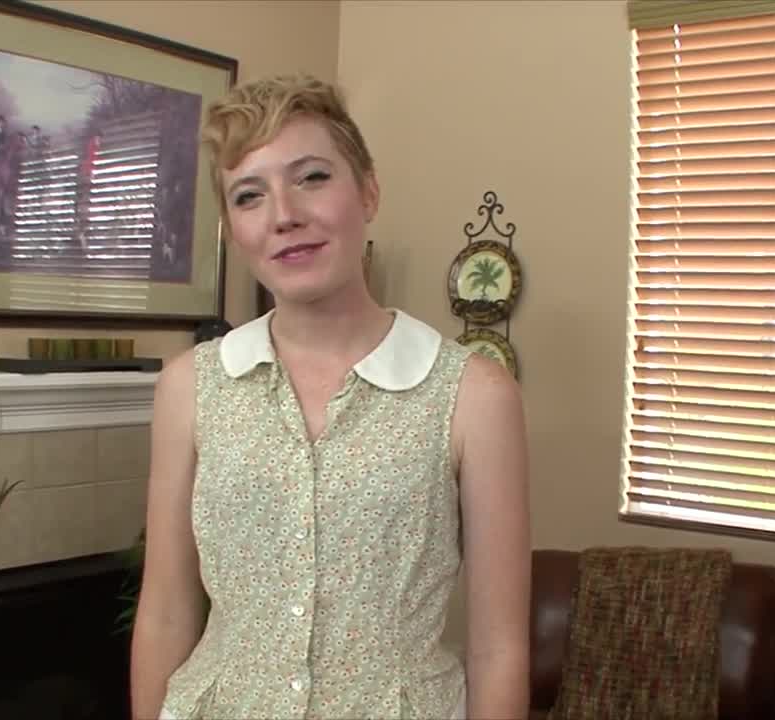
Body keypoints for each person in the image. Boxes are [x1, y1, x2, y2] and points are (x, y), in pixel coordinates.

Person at [129, 74, 531, 720]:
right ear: (233, 228)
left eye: (312, 177)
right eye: (249, 195)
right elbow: (167, 614)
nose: (284, 215)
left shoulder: (474, 396)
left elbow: (499, 648)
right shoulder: (189, 388)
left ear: (368, 190)